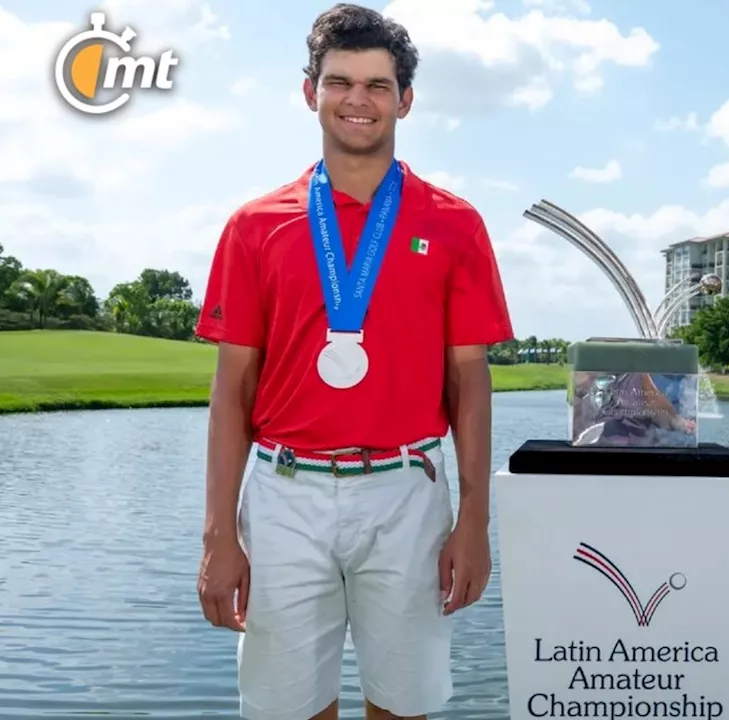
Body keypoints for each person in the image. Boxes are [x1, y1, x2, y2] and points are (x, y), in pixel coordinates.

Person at [193, 5, 514, 720]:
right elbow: (231, 392)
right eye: (340, 82)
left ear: (404, 99)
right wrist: (218, 534)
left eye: (377, 84)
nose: (358, 101)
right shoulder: (255, 225)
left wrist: (473, 522)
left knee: (402, 706)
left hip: (408, 490)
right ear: (311, 92)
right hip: (284, 494)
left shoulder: (454, 223)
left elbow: (470, 382)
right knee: (286, 710)